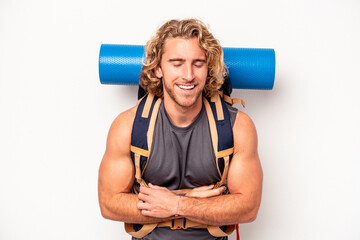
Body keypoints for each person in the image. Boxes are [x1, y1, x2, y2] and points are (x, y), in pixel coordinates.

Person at [98, 19, 263, 240]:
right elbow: (109, 204)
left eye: (198, 63)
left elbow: (248, 208)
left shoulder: (237, 127)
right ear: (158, 68)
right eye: (177, 63)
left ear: (208, 68)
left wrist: (176, 203)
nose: (188, 75)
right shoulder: (128, 126)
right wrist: (191, 203)